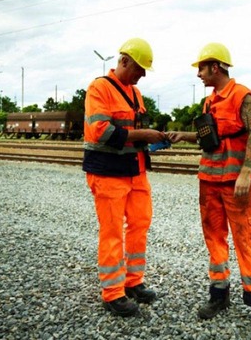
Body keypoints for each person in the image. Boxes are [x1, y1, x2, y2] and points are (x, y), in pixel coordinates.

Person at [166, 42, 251, 337]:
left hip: (235, 183)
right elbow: (211, 139)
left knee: (246, 239)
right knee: (214, 239)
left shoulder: (243, 96)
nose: (199, 75)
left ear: (215, 67)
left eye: (201, 69)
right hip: (209, 181)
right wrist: (186, 135)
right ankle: (219, 295)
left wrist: (247, 171)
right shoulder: (209, 102)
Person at [83, 37, 167, 317]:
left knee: (139, 225)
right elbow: (102, 132)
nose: (142, 75)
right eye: (139, 69)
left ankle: (133, 282)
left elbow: (134, 131)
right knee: (111, 231)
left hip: (136, 170)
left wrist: (157, 138)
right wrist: (144, 135)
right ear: (123, 61)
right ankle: (113, 292)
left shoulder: (135, 94)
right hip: (108, 173)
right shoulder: (99, 88)